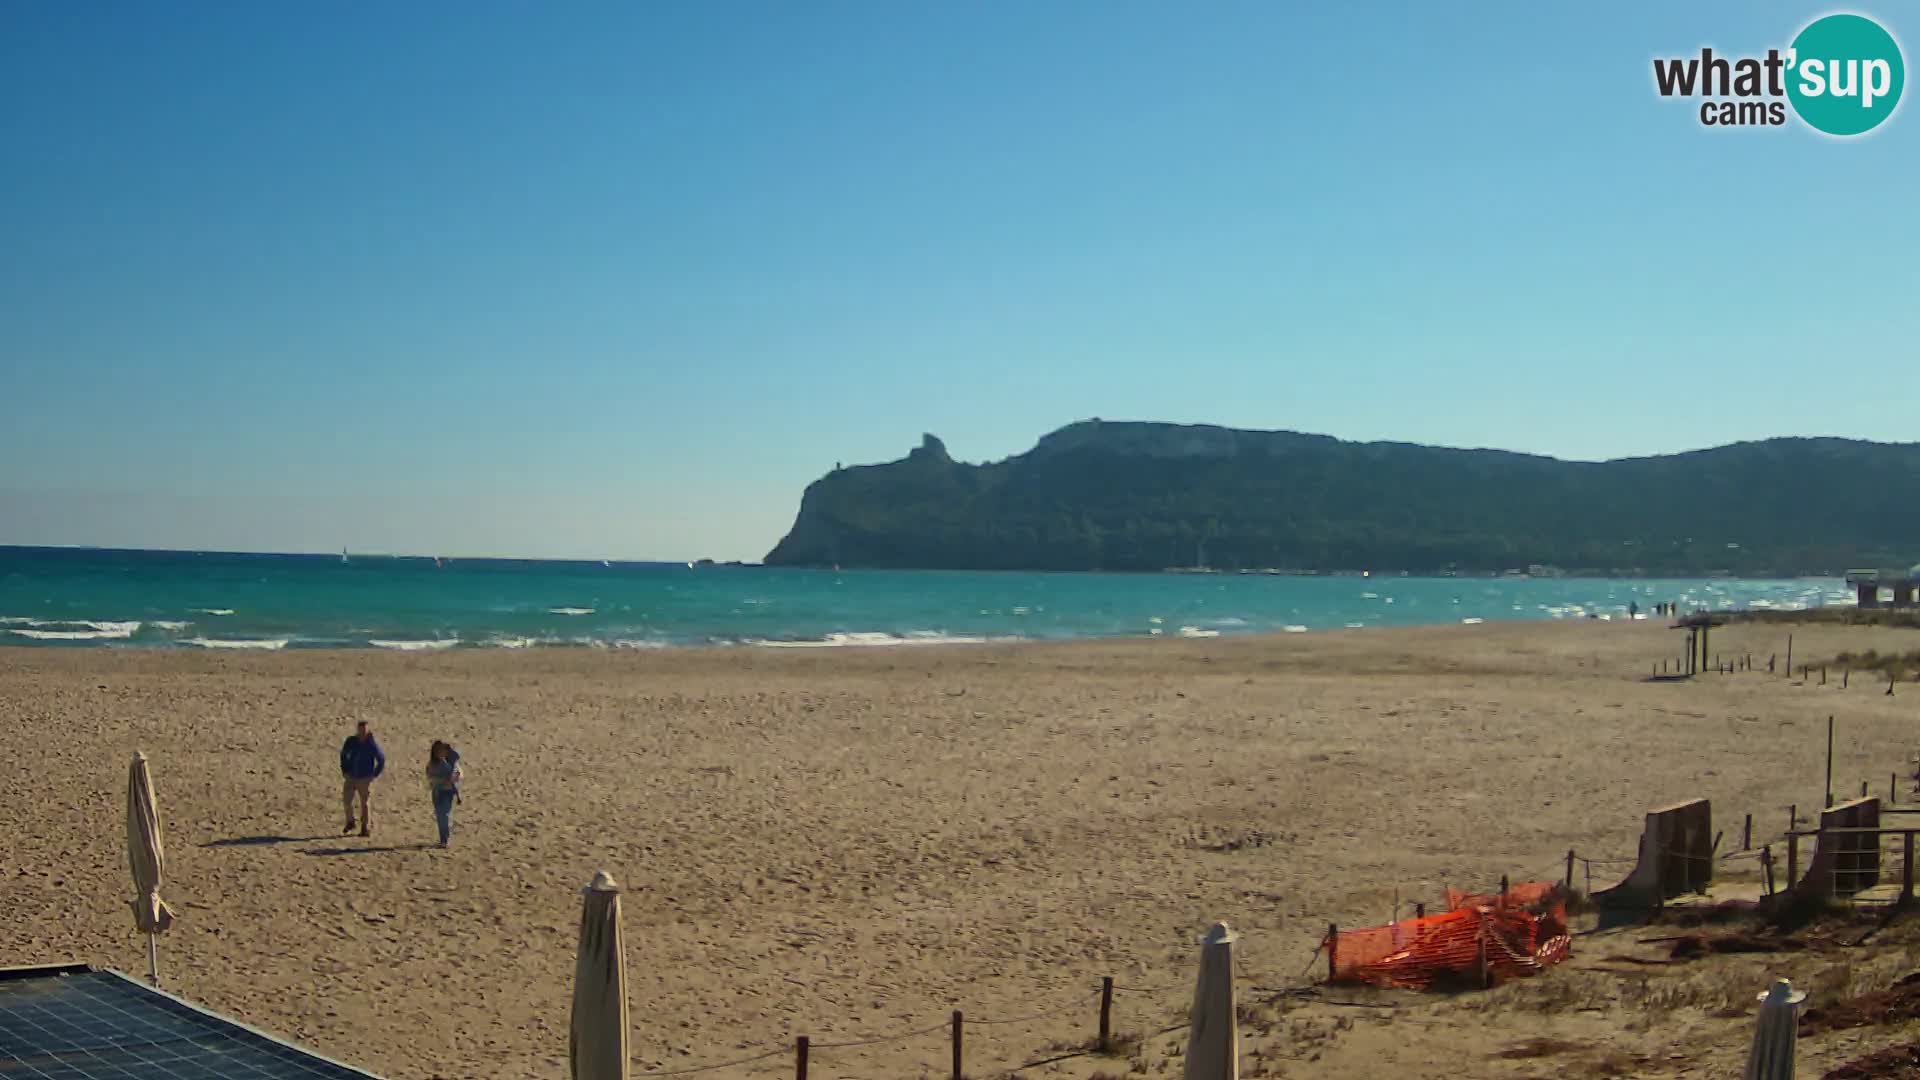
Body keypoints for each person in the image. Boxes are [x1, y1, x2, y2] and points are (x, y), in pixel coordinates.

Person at [339, 720, 386, 837]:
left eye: (365, 730)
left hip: (365, 777)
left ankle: (365, 828)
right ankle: (350, 822)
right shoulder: (351, 741)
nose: (363, 732)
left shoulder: (371, 744)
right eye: (361, 730)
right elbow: (343, 755)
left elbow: (381, 759)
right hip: (351, 776)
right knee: (346, 800)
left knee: (365, 803)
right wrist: (344, 770)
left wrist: (374, 774)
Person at [425, 740, 463, 848]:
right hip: (437, 792)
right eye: (438, 751)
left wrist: (454, 778)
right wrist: (443, 780)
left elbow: (458, 773)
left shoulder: (450, 762)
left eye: (442, 750)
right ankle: (443, 838)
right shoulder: (432, 764)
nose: (441, 753)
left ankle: (445, 840)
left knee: (444, 815)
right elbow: (430, 778)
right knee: (440, 815)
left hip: (448, 792)